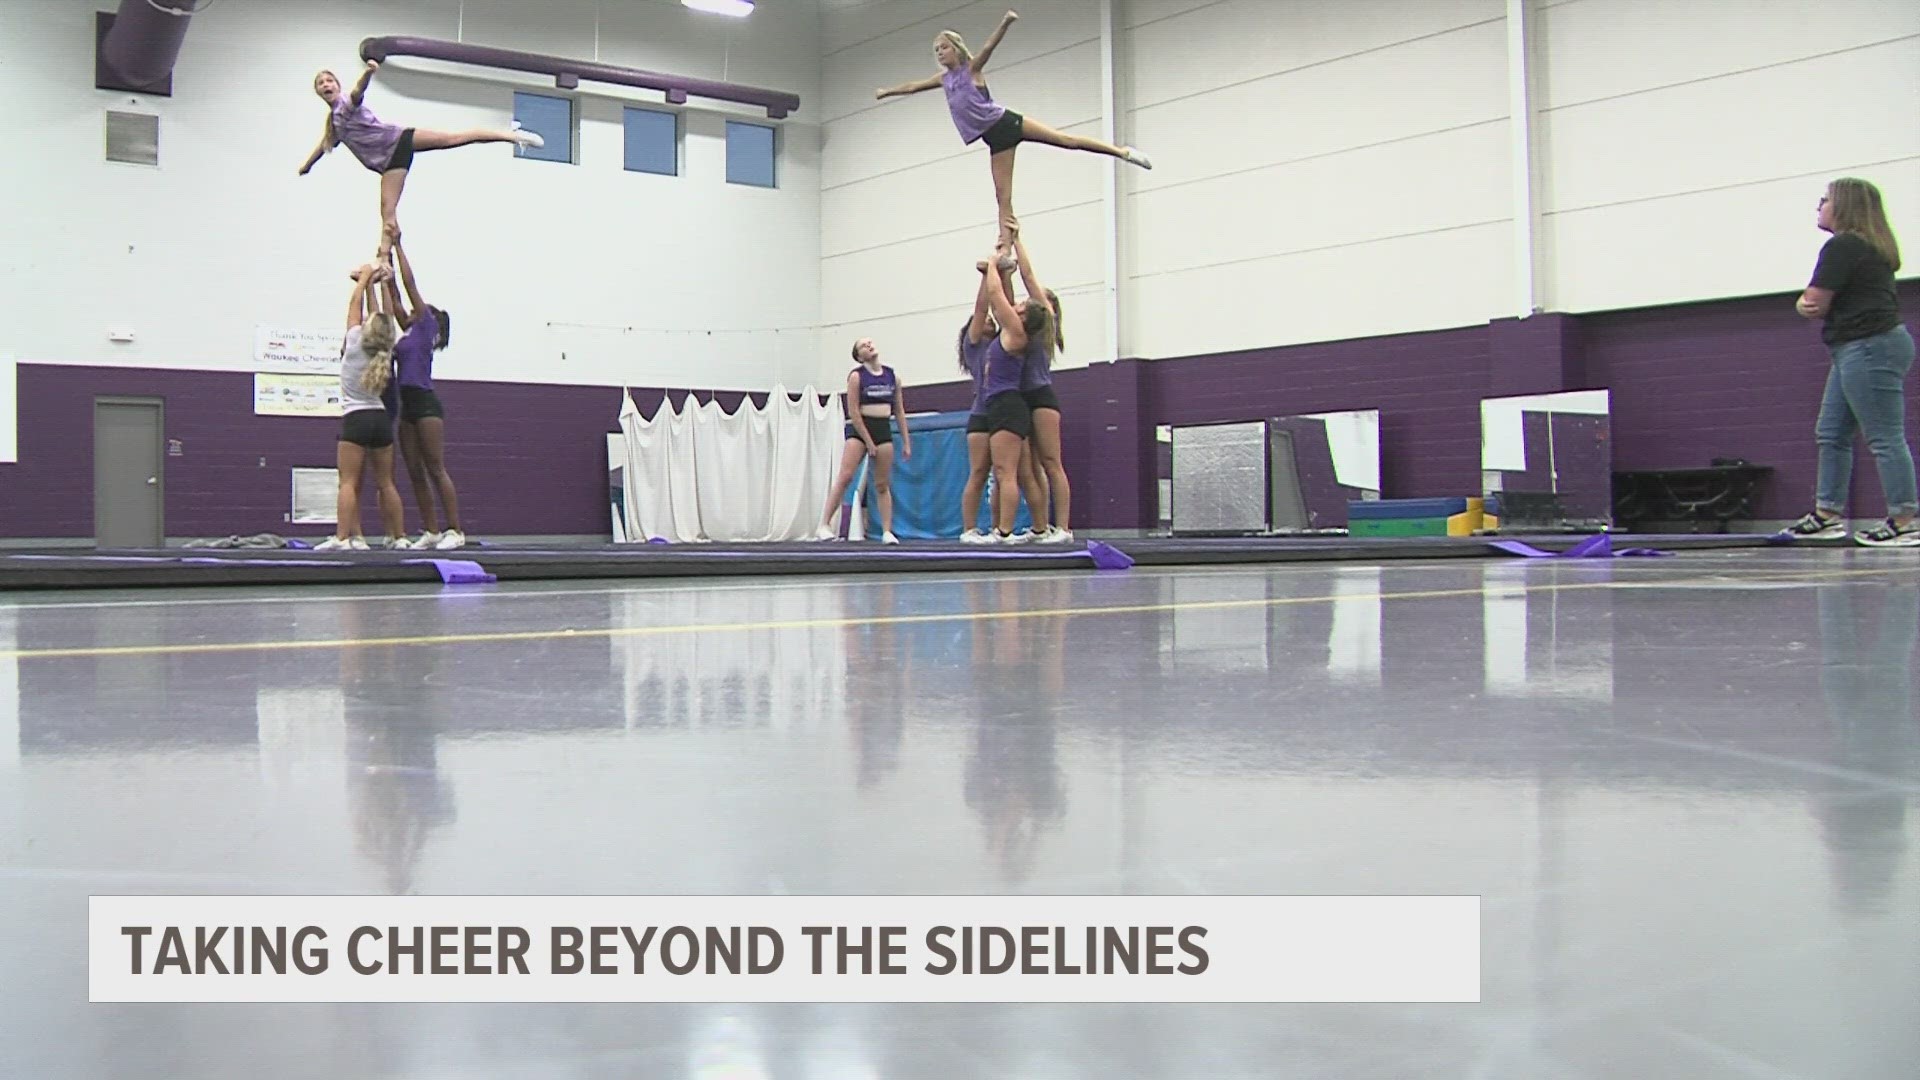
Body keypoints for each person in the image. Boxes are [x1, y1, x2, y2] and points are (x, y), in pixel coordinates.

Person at [874, 13, 1151, 245]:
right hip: (995, 140)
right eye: (936, 50)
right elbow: (912, 87)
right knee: (1002, 196)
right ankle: (1005, 245)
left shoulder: (971, 68)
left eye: (943, 47)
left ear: (956, 49)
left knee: (1066, 140)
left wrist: (1005, 23)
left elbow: (988, 48)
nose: (939, 53)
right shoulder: (944, 80)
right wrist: (887, 92)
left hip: (1007, 122)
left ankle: (1123, 152)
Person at [1783, 177, 1914, 547]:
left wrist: (1801, 304)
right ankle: (1827, 514)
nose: (1819, 206)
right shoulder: (1868, 246)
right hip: (1856, 347)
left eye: (1824, 200)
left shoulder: (1843, 246)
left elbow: (1814, 304)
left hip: (1870, 346)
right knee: (1831, 432)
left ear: (1843, 206)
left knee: (1884, 435)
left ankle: (1905, 520)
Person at [300, 61, 543, 259]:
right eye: (321, 83)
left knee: (453, 138)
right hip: (388, 163)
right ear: (318, 91)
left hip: (398, 141)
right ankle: (385, 257)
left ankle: (512, 136)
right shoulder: (334, 123)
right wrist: (307, 166)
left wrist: (368, 73)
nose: (326, 85)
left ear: (336, 85)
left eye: (329, 80)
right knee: (387, 210)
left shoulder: (346, 105)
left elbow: (357, 91)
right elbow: (324, 145)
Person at [379, 238, 466, 551]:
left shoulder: (427, 326)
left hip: (427, 405)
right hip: (408, 407)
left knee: (434, 466)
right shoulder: (409, 332)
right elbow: (396, 295)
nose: (414, 310)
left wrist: (399, 246)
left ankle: (455, 530)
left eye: (419, 309)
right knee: (414, 470)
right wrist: (383, 263)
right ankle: (431, 530)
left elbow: (409, 284)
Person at [317, 264, 407, 551]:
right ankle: (400, 537)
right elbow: (382, 319)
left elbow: (354, 306)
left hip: (356, 418)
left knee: (348, 482)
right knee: (387, 483)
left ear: (366, 329)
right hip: (380, 420)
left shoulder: (354, 342)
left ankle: (343, 538)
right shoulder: (386, 348)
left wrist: (365, 277)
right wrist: (372, 285)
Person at [978, 246, 1054, 541]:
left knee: (1004, 471)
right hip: (1007, 404)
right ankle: (1038, 527)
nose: (1016, 306)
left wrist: (994, 265)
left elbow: (997, 299)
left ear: (1022, 317)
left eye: (1020, 307)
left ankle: (1004, 531)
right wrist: (1003, 270)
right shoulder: (1014, 329)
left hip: (1007, 404)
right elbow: (1004, 298)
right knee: (1017, 472)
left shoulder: (1016, 332)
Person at [814, 339, 911, 543]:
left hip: (883, 428)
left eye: (870, 342)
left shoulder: (892, 376)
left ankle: (887, 531)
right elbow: (854, 412)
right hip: (860, 430)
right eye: (862, 346)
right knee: (846, 476)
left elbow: (899, 411)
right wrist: (868, 442)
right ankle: (824, 524)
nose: (869, 345)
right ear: (859, 356)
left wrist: (906, 441)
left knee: (882, 483)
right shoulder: (857, 377)